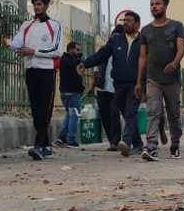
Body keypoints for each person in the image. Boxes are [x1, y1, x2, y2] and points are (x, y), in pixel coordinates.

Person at [4, 0, 64, 160]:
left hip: (47, 71)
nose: (37, 7)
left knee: (45, 109)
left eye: (39, 4)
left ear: (46, 5)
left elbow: (57, 51)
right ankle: (45, 146)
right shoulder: (27, 25)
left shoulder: (55, 25)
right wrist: (8, 43)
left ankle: (39, 145)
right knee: (36, 109)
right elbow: (16, 44)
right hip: (30, 69)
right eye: (35, 5)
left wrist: (34, 51)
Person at [80, 10, 145, 157]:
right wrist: (86, 63)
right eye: (124, 21)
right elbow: (102, 54)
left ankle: (126, 142)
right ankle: (138, 144)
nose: (126, 23)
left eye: (129, 20)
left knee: (130, 112)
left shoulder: (143, 41)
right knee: (124, 112)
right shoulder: (116, 40)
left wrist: (143, 82)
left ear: (137, 24)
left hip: (136, 83)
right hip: (119, 84)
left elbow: (148, 61)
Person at [137, 0, 184, 161]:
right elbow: (142, 57)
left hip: (172, 79)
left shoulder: (177, 26)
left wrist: (175, 62)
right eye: (151, 4)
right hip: (153, 79)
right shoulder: (145, 30)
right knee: (153, 112)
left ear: (165, 6)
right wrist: (138, 82)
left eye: (157, 4)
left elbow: (181, 48)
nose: (154, 7)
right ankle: (151, 147)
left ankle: (175, 144)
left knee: (174, 114)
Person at [93, 17, 123, 152]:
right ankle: (112, 140)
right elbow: (96, 66)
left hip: (116, 88)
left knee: (114, 114)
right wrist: (93, 84)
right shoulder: (104, 50)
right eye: (113, 36)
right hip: (102, 87)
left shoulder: (123, 51)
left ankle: (116, 141)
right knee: (104, 114)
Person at [56, 41, 84, 148]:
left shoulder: (63, 59)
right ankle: (71, 139)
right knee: (74, 115)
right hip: (73, 92)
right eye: (77, 50)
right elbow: (76, 75)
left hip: (65, 92)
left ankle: (62, 137)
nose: (78, 52)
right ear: (71, 49)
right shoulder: (72, 61)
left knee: (69, 114)